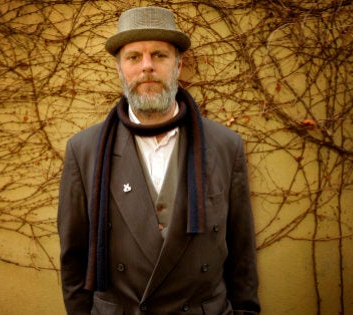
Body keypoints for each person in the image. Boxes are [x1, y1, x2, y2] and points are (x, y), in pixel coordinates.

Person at [58, 6, 260, 314]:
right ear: (119, 68)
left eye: (160, 55)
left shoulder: (225, 146)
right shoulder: (84, 150)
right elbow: (74, 259)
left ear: (178, 66)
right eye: (134, 57)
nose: (147, 67)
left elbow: (242, 255)